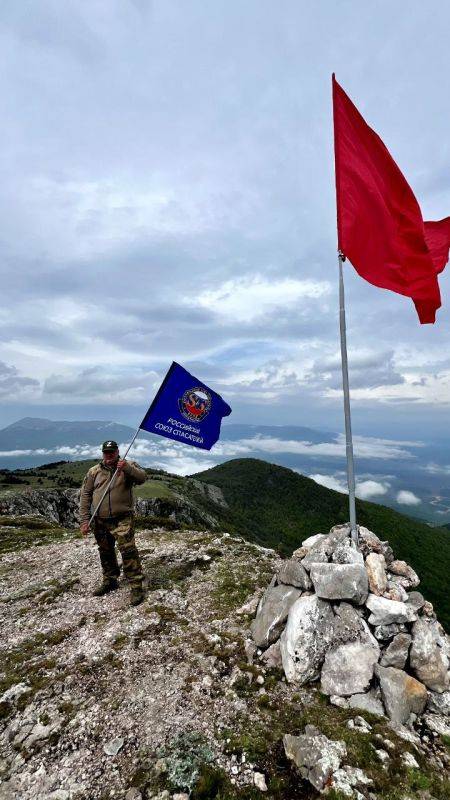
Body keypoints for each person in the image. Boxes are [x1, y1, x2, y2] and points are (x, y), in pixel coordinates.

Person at [79, 440, 147, 606]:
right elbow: (86, 495)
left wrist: (126, 468)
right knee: (105, 550)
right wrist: (84, 520)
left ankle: (136, 586)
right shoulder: (94, 471)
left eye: (112, 452)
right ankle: (110, 579)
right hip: (100, 520)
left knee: (128, 551)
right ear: (103, 453)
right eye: (106, 453)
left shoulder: (127, 466)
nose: (109, 456)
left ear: (117, 452)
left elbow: (142, 478)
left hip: (122, 518)